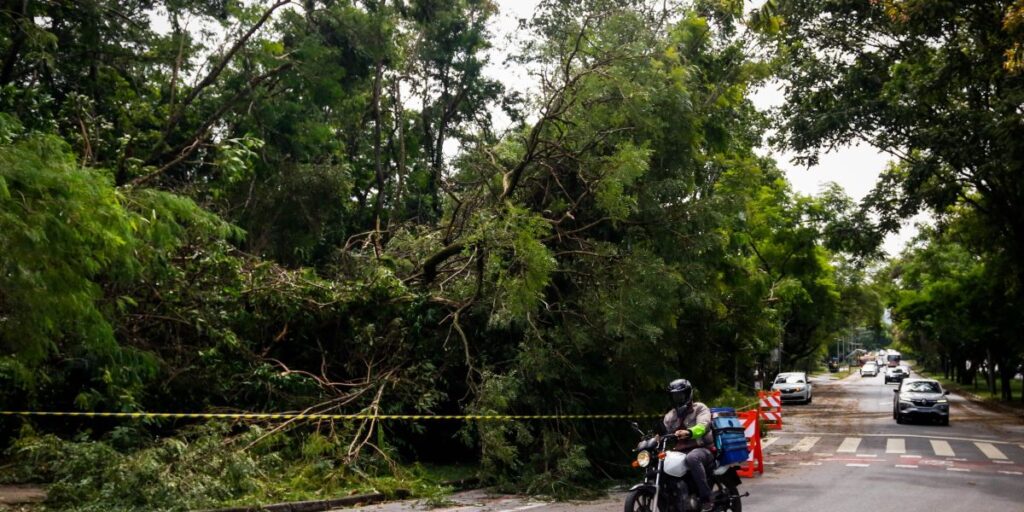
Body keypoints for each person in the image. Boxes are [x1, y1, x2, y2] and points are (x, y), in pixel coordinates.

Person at [663, 378, 715, 512]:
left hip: (703, 449)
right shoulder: (670, 416)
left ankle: (706, 498)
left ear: (688, 394)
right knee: (662, 461)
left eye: (680, 395)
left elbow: (703, 426)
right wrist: (650, 440)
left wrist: (689, 432)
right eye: (674, 396)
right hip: (680, 451)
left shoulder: (700, 408)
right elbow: (663, 433)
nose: (677, 398)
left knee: (692, 457)